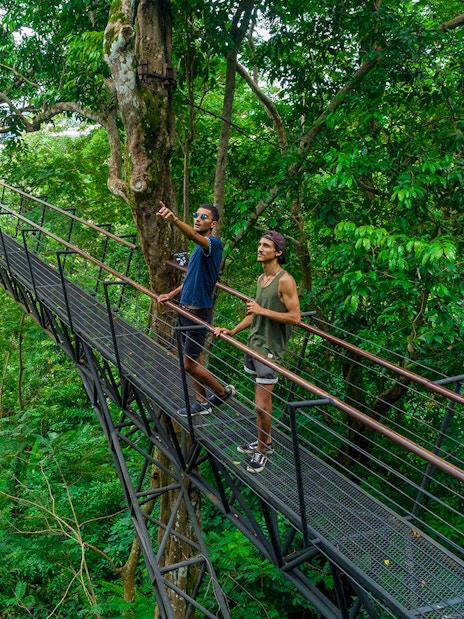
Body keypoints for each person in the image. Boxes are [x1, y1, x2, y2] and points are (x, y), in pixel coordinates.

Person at [215, 231, 300, 473]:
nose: (260, 249)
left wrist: (263, 311)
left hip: (270, 350)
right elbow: (254, 313)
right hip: (253, 344)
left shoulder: (285, 280)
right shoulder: (261, 278)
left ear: (278, 252)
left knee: (260, 405)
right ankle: (265, 439)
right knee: (261, 403)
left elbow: (295, 318)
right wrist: (233, 331)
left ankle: (263, 451)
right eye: (259, 244)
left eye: (266, 245)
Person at [157, 201, 235, 415]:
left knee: (189, 365)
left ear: (214, 223)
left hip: (198, 314)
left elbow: (193, 236)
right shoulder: (198, 249)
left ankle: (222, 394)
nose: (198, 219)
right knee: (195, 359)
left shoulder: (213, 244)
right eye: (196, 215)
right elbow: (191, 278)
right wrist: (171, 295)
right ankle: (201, 402)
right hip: (184, 310)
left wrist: (173, 219)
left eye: (204, 217)